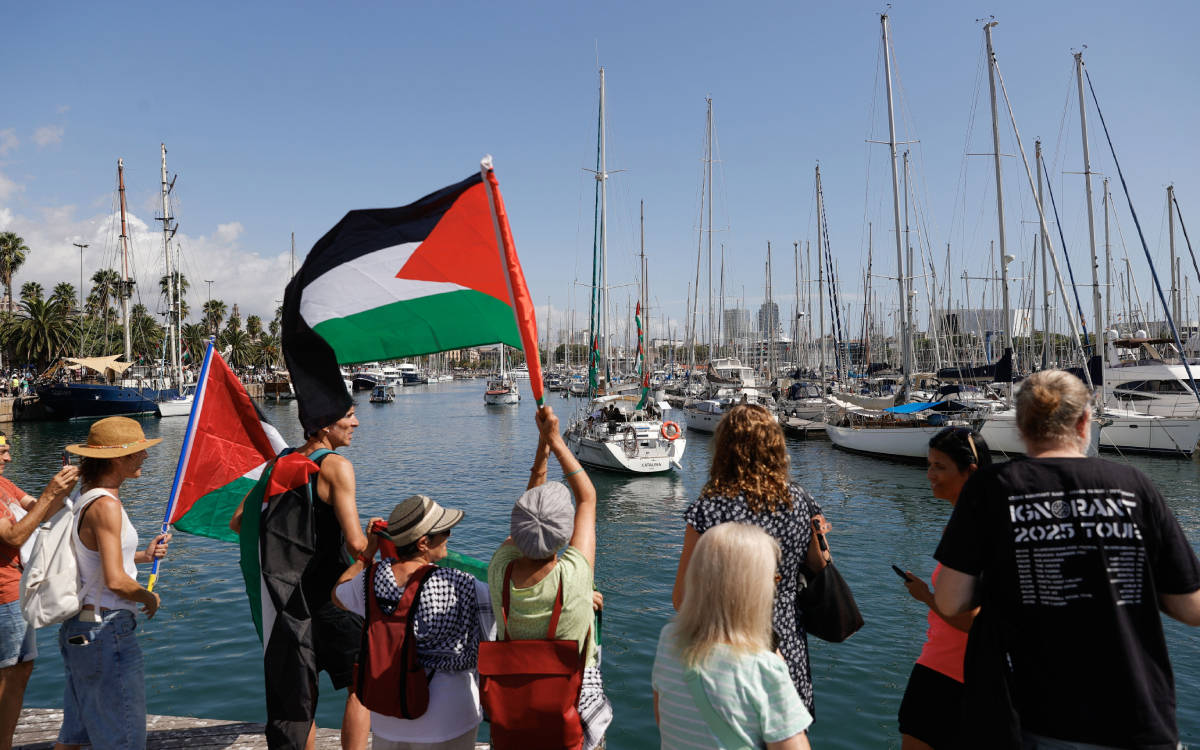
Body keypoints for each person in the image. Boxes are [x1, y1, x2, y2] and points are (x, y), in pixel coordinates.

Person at [934, 370, 1200, 749]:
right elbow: (1191, 607)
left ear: (1020, 426)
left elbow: (950, 600)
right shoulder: (1134, 485)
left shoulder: (992, 488)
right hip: (1138, 717)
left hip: (1040, 720)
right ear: (1084, 421)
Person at [673, 403, 828, 717]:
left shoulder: (710, 507)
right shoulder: (800, 500)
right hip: (786, 641)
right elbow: (821, 567)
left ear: (724, 449)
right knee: (789, 729)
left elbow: (682, 599)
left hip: (725, 649)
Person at [231, 405, 370, 750]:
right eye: (348, 415)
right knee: (361, 685)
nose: (355, 422)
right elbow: (356, 544)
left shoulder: (280, 464)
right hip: (334, 598)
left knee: (300, 697)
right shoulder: (336, 466)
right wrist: (378, 543)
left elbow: (239, 522)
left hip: (289, 599)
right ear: (324, 425)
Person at [487, 405, 611, 749]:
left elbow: (533, 515)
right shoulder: (574, 577)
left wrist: (542, 447)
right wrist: (555, 439)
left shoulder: (500, 570)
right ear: (564, 534)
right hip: (567, 722)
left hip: (516, 725)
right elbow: (588, 498)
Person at [332, 495, 492, 749]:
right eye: (444, 532)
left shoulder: (371, 580)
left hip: (388, 713)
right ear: (423, 543)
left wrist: (367, 554)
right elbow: (507, 604)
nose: (449, 536)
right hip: (449, 716)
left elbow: (338, 593)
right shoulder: (460, 584)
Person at [54, 417, 170, 750]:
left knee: (74, 735)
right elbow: (115, 580)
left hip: (79, 628)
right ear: (118, 458)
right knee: (124, 738)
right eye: (138, 452)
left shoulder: (85, 496)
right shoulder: (107, 506)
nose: (145, 456)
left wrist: (144, 556)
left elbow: (91, 559)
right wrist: (148, 598)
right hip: (106, 630)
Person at [654, 522, 812, 749]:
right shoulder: (764, 669)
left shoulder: (669, 640)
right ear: (754, 589)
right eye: (774, 578)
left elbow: (663, 720)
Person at [897, 426, 991, 750]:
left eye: (939, 467)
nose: (930, 475)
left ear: (970, 472)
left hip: (946, 670)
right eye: (929, 465)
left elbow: (972, 621)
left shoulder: (972, 532)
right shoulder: (988, 522)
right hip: (977, 675)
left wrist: (926, 597)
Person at [0, 433, 79, 750]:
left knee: (19, 669)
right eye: (2, 452)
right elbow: (14, 536)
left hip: (14, 589)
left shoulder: (4, 484)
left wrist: (63, 490)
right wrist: (50, 493)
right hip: (4, 594)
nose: (8, 458)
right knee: (12, 673)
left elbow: (39, 510)